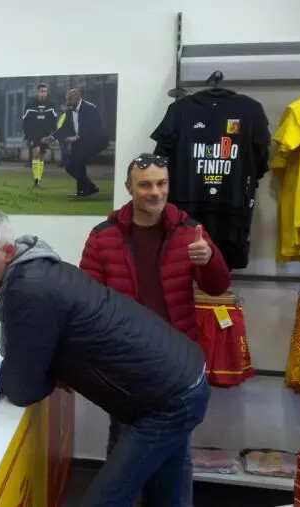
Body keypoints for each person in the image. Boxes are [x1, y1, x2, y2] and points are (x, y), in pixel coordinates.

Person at [0, 208, 209, 507]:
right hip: (178, 378)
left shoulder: (29, 289)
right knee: (166, 498)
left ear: (8, 252)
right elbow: (37, 358)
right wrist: (38, 370)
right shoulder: (37, 269)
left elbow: (25, 390)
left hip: (168, 398)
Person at [79, 153, 230, 504]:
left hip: (177, 367)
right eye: (145, 185)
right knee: (124, 460)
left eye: (161, 183)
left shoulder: (190, 230)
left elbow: (218, 286)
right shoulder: (103, 236)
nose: (155, 192)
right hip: (126, 368)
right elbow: (86, 302)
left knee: (174, 462)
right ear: (129, 187)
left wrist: (210, 260)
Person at [45, 88, 107, 197]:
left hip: (94, 140)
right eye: (67, 99)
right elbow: (65, 127)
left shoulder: (90, 108)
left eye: (70, 99)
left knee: (78, 162)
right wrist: (52, 137)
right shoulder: (70, 111)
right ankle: (86, 189)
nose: (68, 102)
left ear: (78, 97)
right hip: (79, 141)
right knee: (70, 167)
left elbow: (93, 127)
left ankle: (88, 189)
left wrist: (77, 137)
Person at [22, 83, 58, 187]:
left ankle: (39, 178)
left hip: (45, 134)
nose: (43, 93)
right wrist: (28, 136)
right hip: (33, 134)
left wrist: (54, 134)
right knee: (36, 152)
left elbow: (54, 120)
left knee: (41, 156)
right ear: (38, 92)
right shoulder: (30, 105)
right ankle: (36, 179)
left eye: (45, 91)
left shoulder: (51, 105)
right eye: (42, 91)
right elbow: (25, 122)